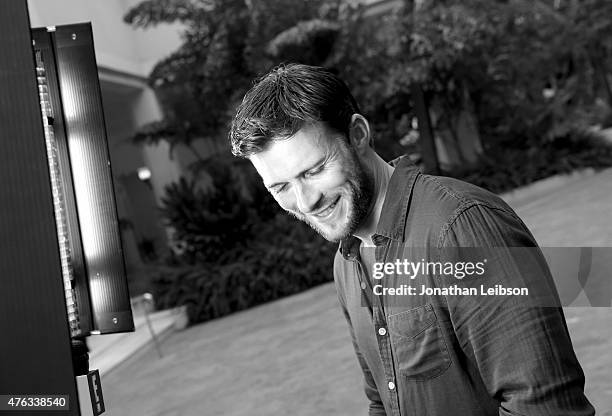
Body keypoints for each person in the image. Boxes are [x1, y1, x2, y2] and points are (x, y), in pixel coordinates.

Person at [229, 64, 594, 416]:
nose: (306, 200)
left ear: (358, 135)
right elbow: (381, 401)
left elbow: (546, 406)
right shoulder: (346, 262)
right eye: (280, 187)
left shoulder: (462, 228)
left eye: (314, 170)